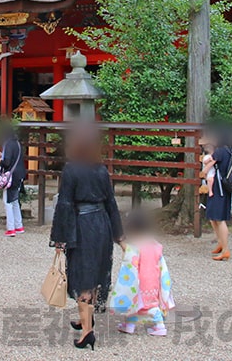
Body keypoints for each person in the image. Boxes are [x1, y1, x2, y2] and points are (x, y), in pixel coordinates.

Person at [50, 122, 124, 351]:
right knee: (94, 273)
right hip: (101, 224)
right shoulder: (101, 170)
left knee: (83, 275)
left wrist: (60, 239)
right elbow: (111, 203)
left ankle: (88, 333)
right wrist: (119, 235)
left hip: (82, 225)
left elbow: (64, 204)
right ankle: (86, 319)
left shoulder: (71, 170)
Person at [112, 210, 175, 336]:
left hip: (139, 281)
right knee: (149, 302)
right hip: (154, 280)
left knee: (139, 303)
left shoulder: (135, 247)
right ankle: (131, 325)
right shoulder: (155, 245)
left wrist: (122, 245)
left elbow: (129, 262)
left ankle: (159, 326)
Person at [201, 131, 232, 260]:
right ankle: (220, 243)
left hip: (217, 188)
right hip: (224, 188)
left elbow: (207, 167)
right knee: (213, 217)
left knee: (219, 219)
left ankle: (225, 249)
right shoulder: (230, 151)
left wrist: (203, 171)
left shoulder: (220, 151)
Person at [0, 123, 26, 236]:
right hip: (19, 175)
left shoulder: (8, 144)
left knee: (7, 201)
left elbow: (7, 161)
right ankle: (19, 226)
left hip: (11, 176)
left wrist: (1, 161)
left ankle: (11, 228)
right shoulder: (17, 143)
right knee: (14, 201)